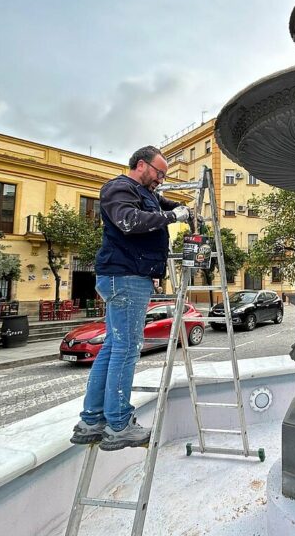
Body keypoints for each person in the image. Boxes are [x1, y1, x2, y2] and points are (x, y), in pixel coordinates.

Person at [71, 146, 190, 451]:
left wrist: (187, 211)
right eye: (158, 173)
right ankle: (119, 424)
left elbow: (163, 203)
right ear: (141, 165)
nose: (161, 180)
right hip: (126, 277)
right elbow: (129, 221)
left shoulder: (143, 191)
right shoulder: (119, 188)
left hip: (125, 275)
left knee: (112, 347)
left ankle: (92, 419)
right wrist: (171, 217)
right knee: (125, 348)